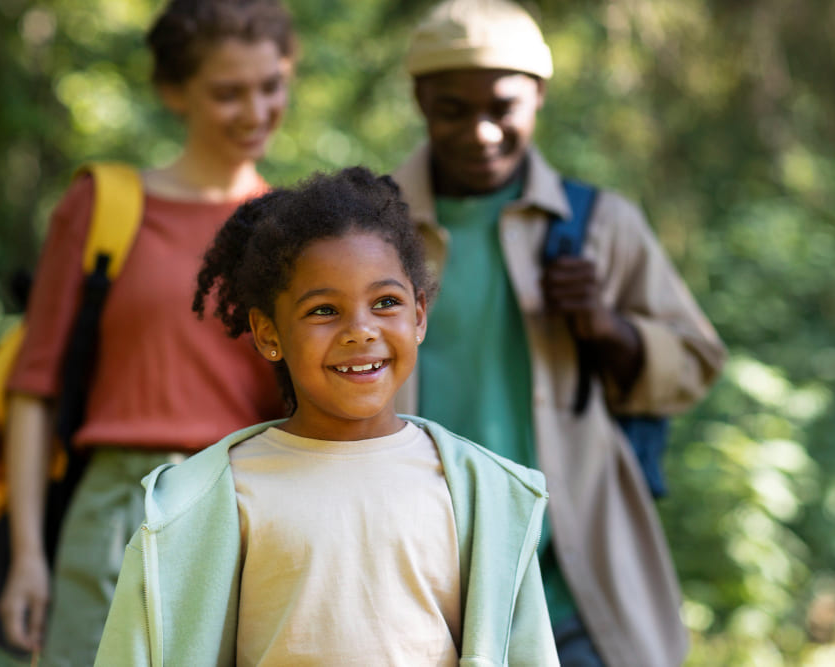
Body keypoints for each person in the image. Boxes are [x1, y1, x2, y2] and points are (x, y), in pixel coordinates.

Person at [93, 166, 558, 666]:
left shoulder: (482, 493)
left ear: (419, 315)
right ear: (269, 334)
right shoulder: (205, 498)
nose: (361, 331)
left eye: (386, 302)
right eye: (323, 311)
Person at [393, 1, 729, 665]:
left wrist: (607, 329)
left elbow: (695, 362)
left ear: (538, 96)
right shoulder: (369, 228)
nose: (481, 131)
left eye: (502, 107)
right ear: (420, 101)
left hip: (569, 580)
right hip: (410, 573)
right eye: (452, 109)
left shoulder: (599, 224)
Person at [0, 1, 295, 664]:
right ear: (173, 91)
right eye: (227, 92)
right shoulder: (102, 205)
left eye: (270, 85)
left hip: (247, 516)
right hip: (111, 517)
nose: (254, 111)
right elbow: (33, 386)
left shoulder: (296, 232)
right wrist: (26, 555)